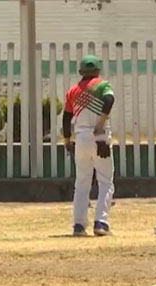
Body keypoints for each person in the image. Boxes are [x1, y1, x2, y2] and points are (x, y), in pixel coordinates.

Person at [63, 55, 115, 237]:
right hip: (99, 137)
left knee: (82, 182)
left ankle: (78, 225)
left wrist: (67, 140)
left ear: (80, 73)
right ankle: (101, 222)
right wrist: (101, 124)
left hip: (81, 138)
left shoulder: (73, 91)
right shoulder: (102, 85)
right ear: (97, 71)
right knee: (105, 181)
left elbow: (66, 117)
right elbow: (109, 100)